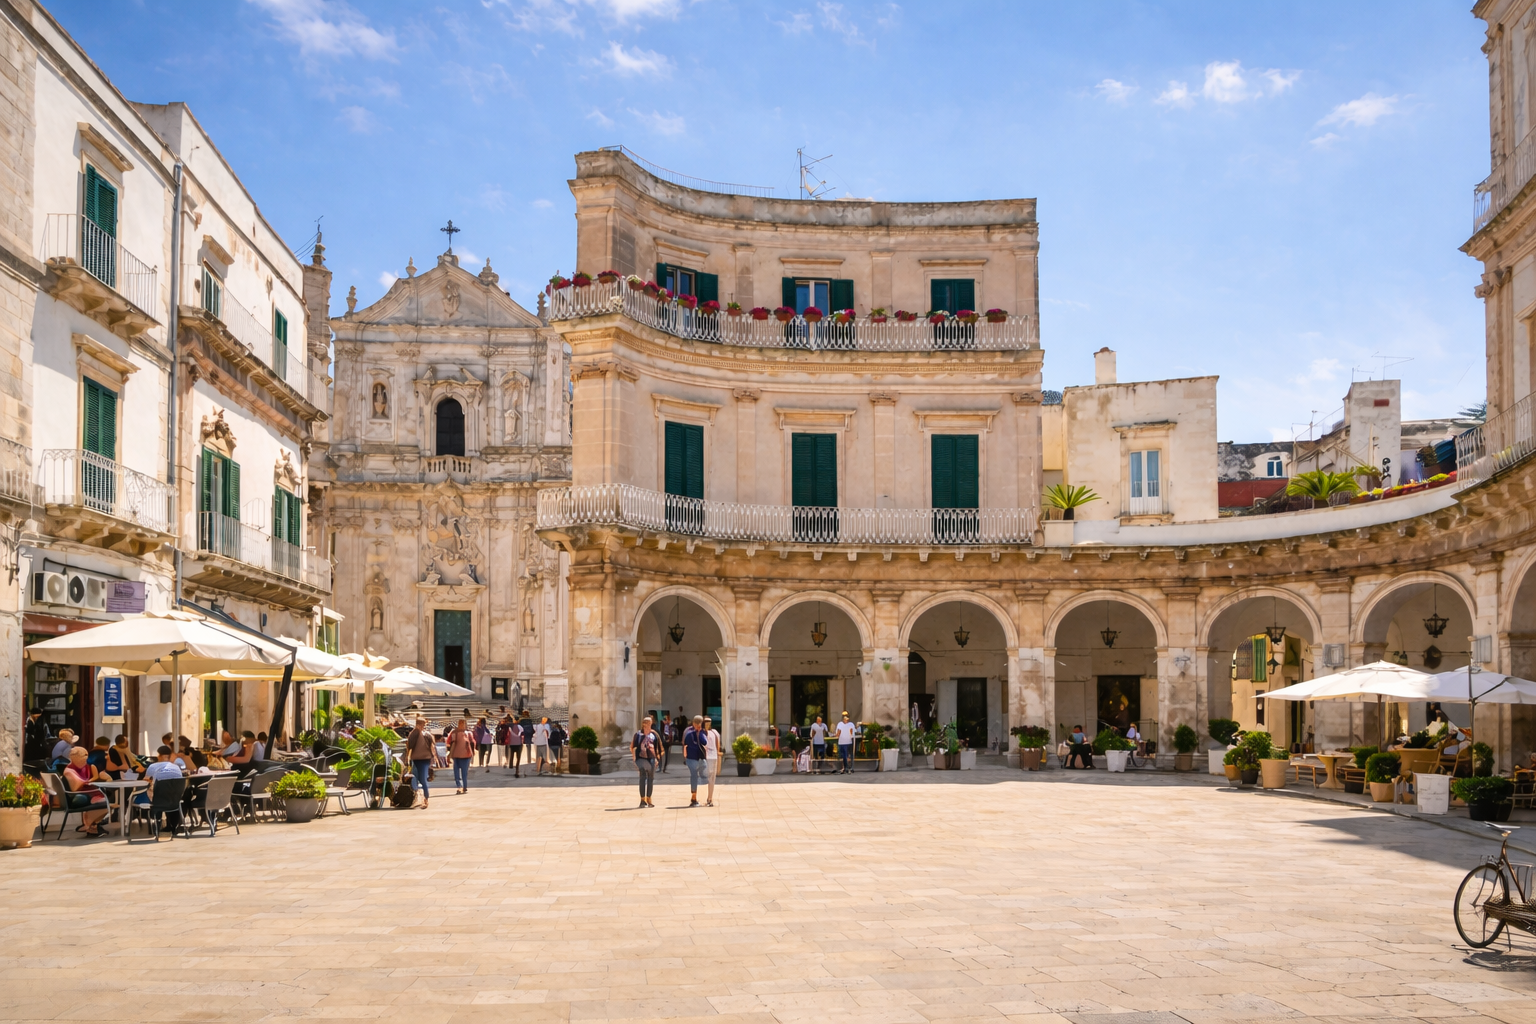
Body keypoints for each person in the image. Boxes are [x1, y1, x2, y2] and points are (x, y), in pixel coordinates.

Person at [61, 746, 109, 837]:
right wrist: (89, 782)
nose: (86, 759)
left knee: (107, 801)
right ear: (74, 758)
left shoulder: (85, 767)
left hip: (85, 793)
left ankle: (92, 825)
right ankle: (90, 826)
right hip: (75, 797)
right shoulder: (69, 771)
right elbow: (76, 787)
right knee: (106, 802)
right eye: (83, 757)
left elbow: (92, 778)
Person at [631, 715, 660, 808]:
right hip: (641, 758)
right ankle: (642, 800)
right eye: (648, 723)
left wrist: (656, 759)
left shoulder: (653, 735)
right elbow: (634, 747)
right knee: (642, 778)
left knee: (651, 778)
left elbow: (656, 748)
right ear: (644, 724)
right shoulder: (638, 735)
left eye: (650, 723)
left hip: (651, 758)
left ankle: (649, 798)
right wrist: (634, 758)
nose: (649, 725)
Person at [683, 714, 707, 807]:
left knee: (694, 776)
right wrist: (700, 733)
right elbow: (705, 742)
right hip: (696, 758)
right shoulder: (700, 733)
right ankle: (694, 797)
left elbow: (685, 743)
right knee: (699, 776)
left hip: (690, 758)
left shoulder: (687, 733)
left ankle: (694, 796)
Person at [446, 718, 475, 794]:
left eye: (463, 724)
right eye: (461, 724)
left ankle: (463, 786)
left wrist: (472, 754)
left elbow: (472, 744)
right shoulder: (458, 733)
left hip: (464, 755)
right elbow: (452, 743)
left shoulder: (465, 733)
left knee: (462, 773)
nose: (462, 725)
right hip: (459, 755)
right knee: (460, 773)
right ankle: (460, 786)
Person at [703, 716, 722, 807]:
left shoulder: (713, 733)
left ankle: (710, 798)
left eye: (708, 723)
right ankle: (709, 798)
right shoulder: (706, 732)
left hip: (711, 757)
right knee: (708, 778)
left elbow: (718, 746)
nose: (707, 725)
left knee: (711, 779)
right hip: (707, 757)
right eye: (706, 723)